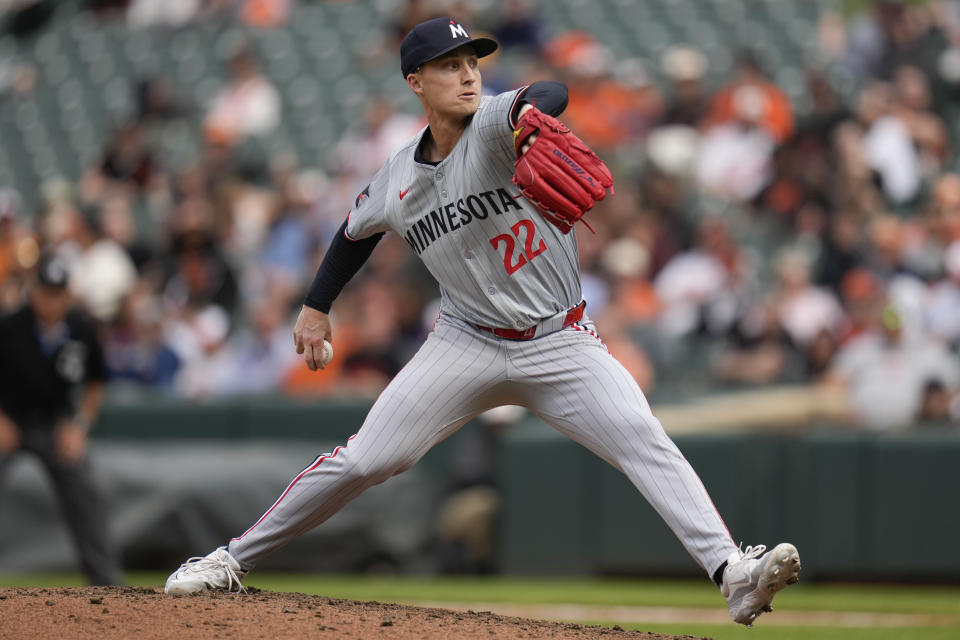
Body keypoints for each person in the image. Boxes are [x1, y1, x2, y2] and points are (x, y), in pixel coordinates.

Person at [164, 17, 801, 627]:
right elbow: (354, 233)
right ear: (415, 81)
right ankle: (229, 560)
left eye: (473, 63)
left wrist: (527, 113)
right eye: (450, 66)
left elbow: (550, 92)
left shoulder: (496, 121)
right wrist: (315, 305)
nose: (468, 75)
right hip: (464, 343)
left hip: (559, 340)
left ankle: (731, 573)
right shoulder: (397, 176)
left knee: (640, 434)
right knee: (365, 461)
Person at [0, 253, 123, 585]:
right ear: (33, 291)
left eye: (58, 293)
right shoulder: (10, 325)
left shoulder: (81, 330)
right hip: (10, 421)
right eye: (45, 292)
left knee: (86, 490)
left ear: (68, 294)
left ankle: (107, 585)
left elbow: (96, 383)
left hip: (57, 424)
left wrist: (79, 426)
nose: (52, 301)